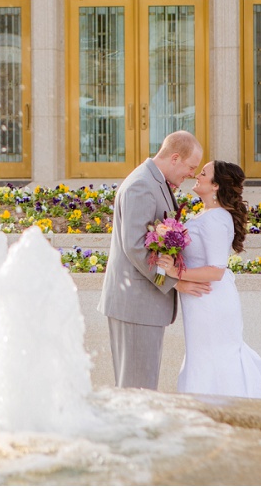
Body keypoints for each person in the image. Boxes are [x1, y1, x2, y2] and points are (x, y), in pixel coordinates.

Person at [98, 130, 211, 390]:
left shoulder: (153, 181)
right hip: (136, 304)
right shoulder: (141, 185)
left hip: (140, 305)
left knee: (138, 387)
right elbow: (137, 247)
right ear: (174, 158)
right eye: (190, 168)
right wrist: (175, 282)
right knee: (138, 389)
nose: (191, 175)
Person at [158, 160, 261, 399]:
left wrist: (175, 273)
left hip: (210, 301)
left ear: (216, 186)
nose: (196, 176)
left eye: (203, 173)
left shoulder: (218, 219)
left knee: (215, 356)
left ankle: (227, 411)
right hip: (200, 300)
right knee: (202, 356)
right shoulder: (207, 214)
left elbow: (216, 271)